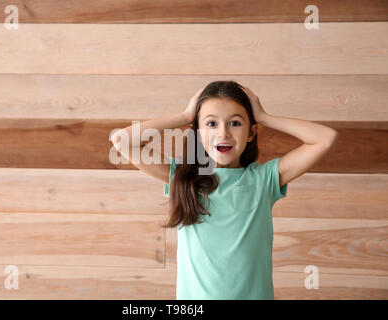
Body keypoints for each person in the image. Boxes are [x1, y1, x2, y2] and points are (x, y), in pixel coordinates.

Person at [110, 80, 338, 300]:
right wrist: (185, 116)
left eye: (235, 123)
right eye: (211, 124)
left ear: (251, 133)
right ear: (198, 133)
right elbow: (123, 141)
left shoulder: (263, 179)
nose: (223, 134)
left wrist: (264, 117)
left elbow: (325, 139)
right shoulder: (182, 177)